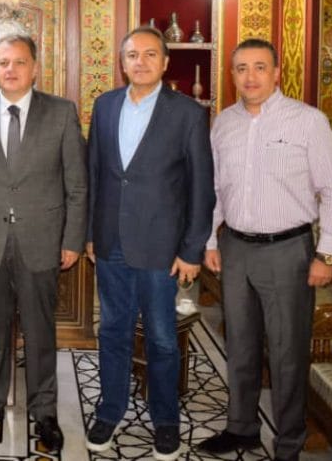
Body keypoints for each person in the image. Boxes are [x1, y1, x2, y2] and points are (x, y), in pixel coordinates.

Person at [197, 39, 332, 461]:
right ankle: (242, 428)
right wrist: (210, 240)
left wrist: (326, 254)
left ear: (277, 72)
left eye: (260, 67)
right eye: (241, 68)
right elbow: (215, 190)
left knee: (287, 353)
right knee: (240, 345)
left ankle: (288, 443)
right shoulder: (223, 123)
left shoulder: (308, 121)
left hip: (288, 251)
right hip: (235, 248)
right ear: (232, 74)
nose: (250, 77)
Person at [85, 26, 215, 460]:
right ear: (122, 62)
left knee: (161, 338)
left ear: (165, 62)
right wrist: (90, 233)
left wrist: (192, 250)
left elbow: (201, 188)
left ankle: (165, 420)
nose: (140, 62)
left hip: (163, 248)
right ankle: (110, 410)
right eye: (132, 55)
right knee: (113, 331)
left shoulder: (188, 113)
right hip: (111, 243)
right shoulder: (105, 106)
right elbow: (94, 173)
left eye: (149, 54)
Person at [0, 33, 87, 452]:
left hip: (42, 240)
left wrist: (72, 239)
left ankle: (45, 410)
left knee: (40, 330)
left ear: (35, 68)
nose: (10, 69)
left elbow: (77, 186)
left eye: (20, 62)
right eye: (3, 62)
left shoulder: (61, 112)